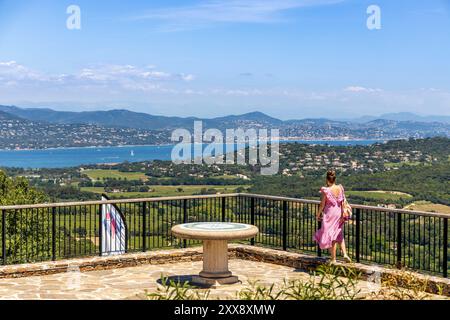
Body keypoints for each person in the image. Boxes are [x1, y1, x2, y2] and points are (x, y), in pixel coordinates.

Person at [313, 170, 351, 263]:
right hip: (339, 213)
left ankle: (333, 258)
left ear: (327, 179)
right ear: (334, 179)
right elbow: (343, 202)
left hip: (329, 214)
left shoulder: (326, 190)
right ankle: (345, 254)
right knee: (338, 233)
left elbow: (322, 204)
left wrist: (318, 214)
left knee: (330, 236)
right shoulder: (340, 188)